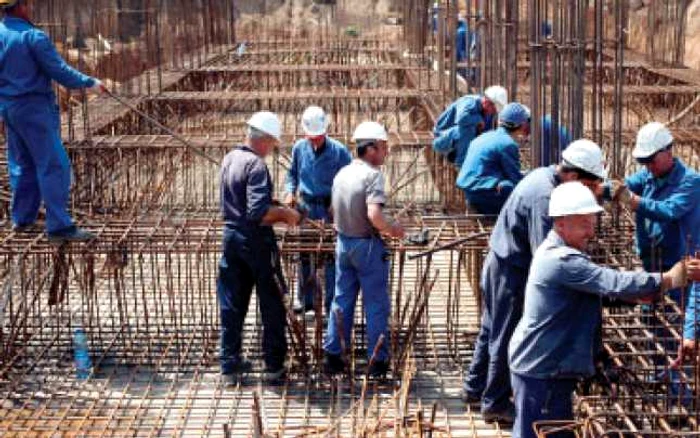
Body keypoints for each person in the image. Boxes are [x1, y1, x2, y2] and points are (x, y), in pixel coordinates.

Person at [508, 181, 687, 438]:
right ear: (561, 223)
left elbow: (593, 294)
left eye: (592, 223)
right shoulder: (561, 260)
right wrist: (666, 279)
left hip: (546, 365)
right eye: (584, 224)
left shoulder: (564, 251)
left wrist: (635, 299)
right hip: (541, 369)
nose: (591, 232)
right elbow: (611, 281)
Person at [462, 139, 608, 424]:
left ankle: (475, 388)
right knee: (507, 336)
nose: (589, 193)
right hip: (511, 271)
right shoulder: (545, 199)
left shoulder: (545, 176)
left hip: (501, 260)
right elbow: (550, 255)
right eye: (587, 186)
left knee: (491, 329)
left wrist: (607, 191)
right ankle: (494, 403)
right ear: (574, 176)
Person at [0, 0, 106, 242]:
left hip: (9, 109)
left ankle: (22, 219)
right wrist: (90, 83)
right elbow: (59, 71)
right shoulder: (32, 37)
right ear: (22, 6)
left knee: (22, 164)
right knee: (53, 165)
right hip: (34, 109)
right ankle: (59, 226)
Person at [217, 111, 302, 385]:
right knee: (272, 302)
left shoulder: (230, 158)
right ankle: (274, 366)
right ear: (263, 139)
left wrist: (274, 202)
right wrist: (285, 216)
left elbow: (241, 203)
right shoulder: (255, 165)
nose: (272, 148)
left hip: (230, 237)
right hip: (255, 241)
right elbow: (257, 213)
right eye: (273, 143)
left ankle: (229, 365)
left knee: (232, 302)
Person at [613, 122, 700, 384]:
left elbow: (668, 210)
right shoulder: (649, 176)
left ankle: (680, 401)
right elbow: (624, 185)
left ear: (667, 152)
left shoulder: (691, 181)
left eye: (651, 160)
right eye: (644, 161)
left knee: (674, 334)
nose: (647, 166)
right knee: (652, 330)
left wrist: (632, 200)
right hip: (652, 266)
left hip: (681, 271)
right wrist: (606, 187)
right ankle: (660, 380)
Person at [322, 121, 405, 378]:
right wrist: (393, 229)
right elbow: (375, 215)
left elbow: (333, 211)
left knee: (341, 299)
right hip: (367, 247)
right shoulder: (372, 176)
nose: (386, 152)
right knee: (376, 304)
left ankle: (333, 356)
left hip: (343, 244)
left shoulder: (342, 173)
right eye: (382, 147)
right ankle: (377, 362)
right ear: (370, 149)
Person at [284, 106, 352, 314]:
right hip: (305, 209)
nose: (315, 141)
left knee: (331, 256)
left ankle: (331, 302)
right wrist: (289, 192)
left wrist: (338, 201)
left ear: (326, 131)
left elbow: (351, 179)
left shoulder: (339, 151)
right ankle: (306, 301)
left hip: (329, 210)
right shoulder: (298, 149)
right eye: (311, 137)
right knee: (304, 254)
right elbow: (292, 175)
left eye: (319, 137)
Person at [456, 102, 530, 215]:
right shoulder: (508, 144)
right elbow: (515, 177)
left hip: (469, 191)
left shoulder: (483, 136)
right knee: (511, 188)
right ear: (522, 124)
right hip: (484, 194)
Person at [432, 85, 507, 168]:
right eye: (493, 109)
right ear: (487, 102)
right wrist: (478, 120)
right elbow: (461, 119)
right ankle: (462, 164)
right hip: (441, 139)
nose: (493, 112)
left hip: (458, 143)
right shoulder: (470, 102)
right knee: (468, 128)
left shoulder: (488, 115)